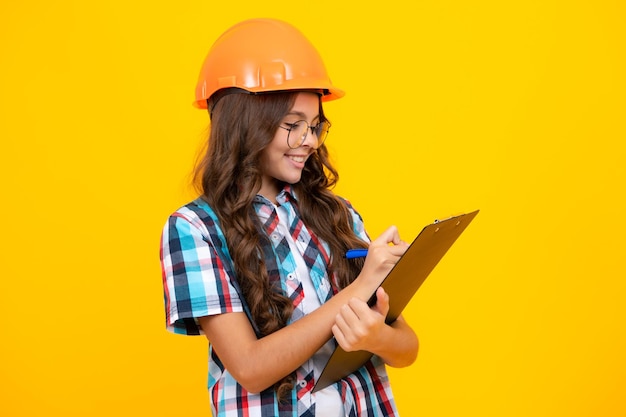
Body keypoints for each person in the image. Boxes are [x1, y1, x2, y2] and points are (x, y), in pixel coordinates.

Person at [160, 18, 419, 417]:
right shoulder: (196, 229)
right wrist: (358, 290)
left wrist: (375, 334)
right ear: (245, 123)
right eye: (293, 125)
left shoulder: (337, 215)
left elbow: (408, 349)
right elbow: (249, 367)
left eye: (314, 126)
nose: (310, 141)